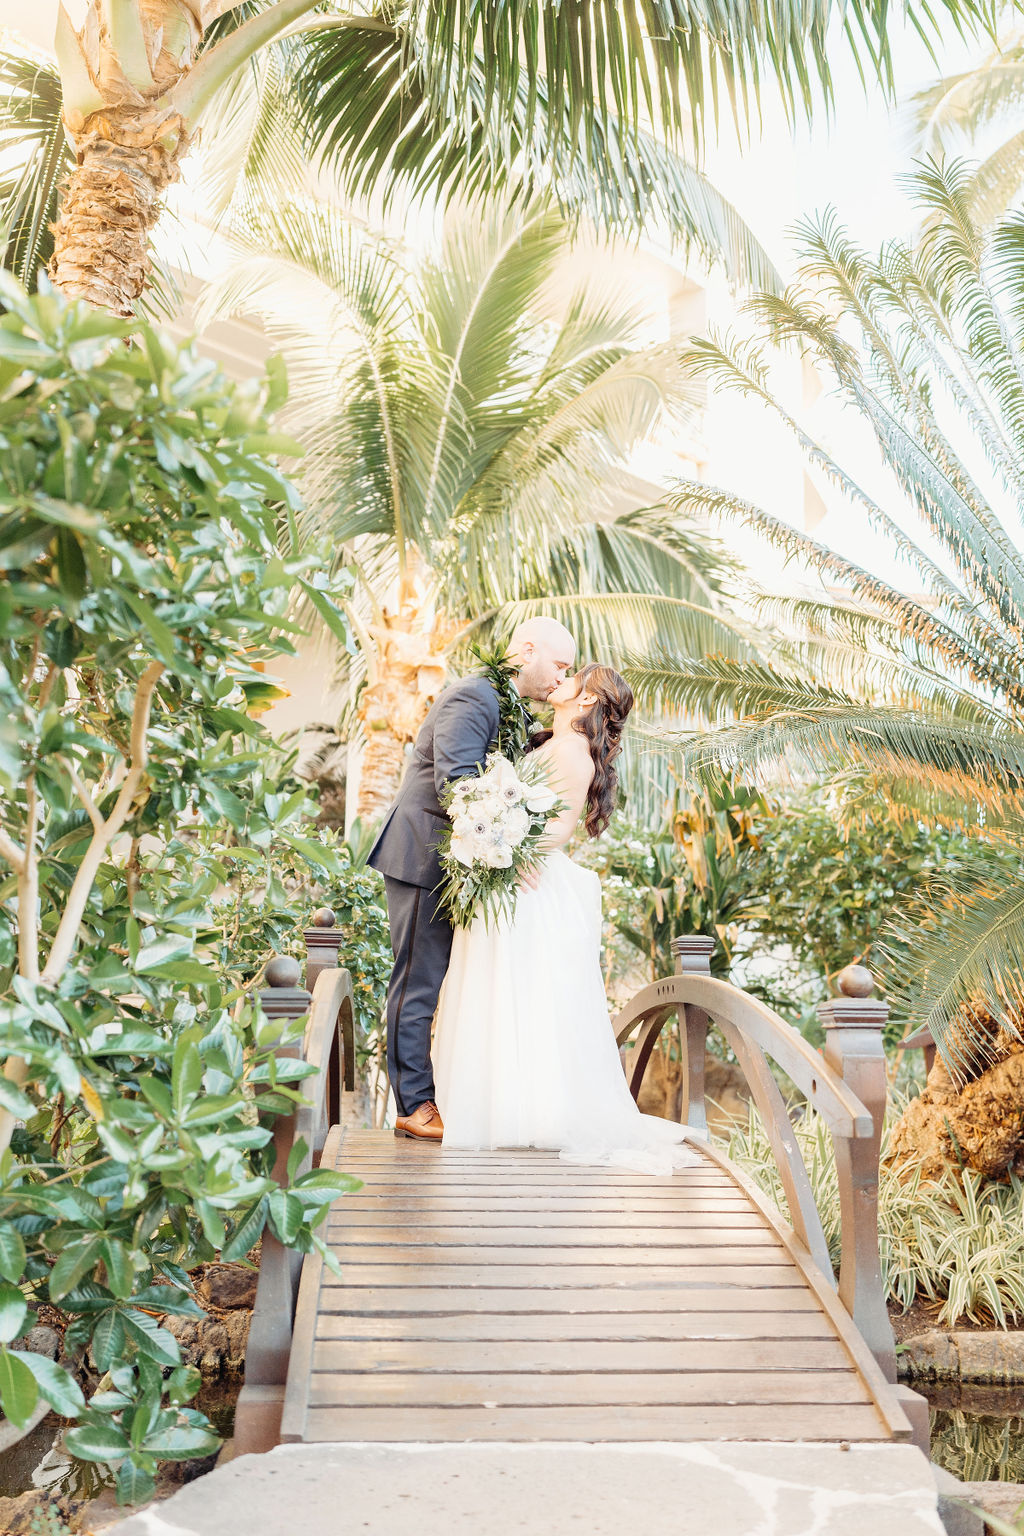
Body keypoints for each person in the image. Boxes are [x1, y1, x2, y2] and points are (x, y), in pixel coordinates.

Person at [433, 663, 697, 1175]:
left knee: (523, 995)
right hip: (509, 871)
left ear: (585, 703)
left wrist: (503, 845)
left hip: (530, 882)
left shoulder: (574, 755)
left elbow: (560, 829)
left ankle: (530, 1115)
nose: (565, 678)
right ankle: (496, 1109)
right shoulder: (551, 744)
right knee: (498, 991)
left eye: (577, 677)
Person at [367, 616, 577, 1141]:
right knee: (417, 984)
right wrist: (508, 848)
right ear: (527, 650)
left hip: (454, 862)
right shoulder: (475, 697)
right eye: (559, 665)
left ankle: (439, 1096)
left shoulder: (502, 707)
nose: (560, 678)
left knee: (435, 982)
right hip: (422, 858)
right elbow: (458, 786)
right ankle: (415, 1106)